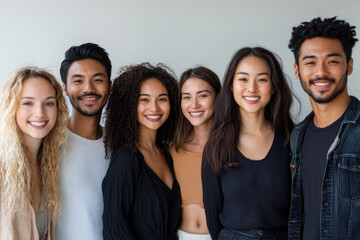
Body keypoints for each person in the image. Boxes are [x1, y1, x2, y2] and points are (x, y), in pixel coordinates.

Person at [202, 47, 295, 240]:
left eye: (262, 79)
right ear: (231, 85)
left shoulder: (291, 139)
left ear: (274, 86)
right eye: (243, 79)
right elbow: (213, 214)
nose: (252, 88)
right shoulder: (216, 145)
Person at [288, 16, 360, 240]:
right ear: (297, 70)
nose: (321, 72)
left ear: (349, 66)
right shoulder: (297, 135)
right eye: (310, 62)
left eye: (332, 61)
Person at [102, 62, 181, 239]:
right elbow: (114, 229)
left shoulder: (166, 154)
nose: (154, 108)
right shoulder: (126, 158)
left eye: (162, 99)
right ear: (129, 106)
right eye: (144, 99)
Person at [0, 67, 68, 240]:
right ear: (12, 107)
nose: (40, 113)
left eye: (49, 103)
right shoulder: (2, 167)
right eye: (28, 103)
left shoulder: (50, 163)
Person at [56, 43, 112, 240]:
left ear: (109, 86)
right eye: (78, 81)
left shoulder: (119, 146)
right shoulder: (50, 144)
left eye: (97, 80)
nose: (88, 88)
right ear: (64, 88)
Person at [170, 66, 221, 240]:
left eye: (203, 95)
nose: (194, 104)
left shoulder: (230, 148)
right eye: (186, 97)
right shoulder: (172, 150)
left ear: (217, 97)